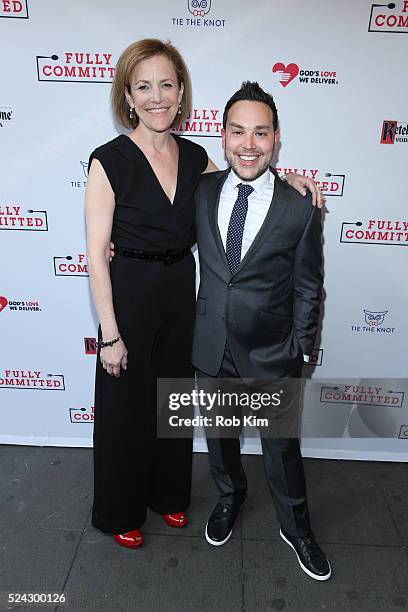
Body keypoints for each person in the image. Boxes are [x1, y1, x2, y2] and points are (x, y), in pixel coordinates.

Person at [86, 38, 323, 549]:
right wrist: (109, 334)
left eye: (167, 85)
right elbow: (94, 253)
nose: (157, 97)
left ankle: (169, 495)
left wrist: (294, 179)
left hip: (180, 297)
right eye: (144, 86)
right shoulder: (107, 161)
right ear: (127, 95)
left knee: (171, 405)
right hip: (128, 296)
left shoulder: (195, 159)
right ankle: (120, 509)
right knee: (126, 411)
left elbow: (249, 178)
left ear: (181, 92)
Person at [192, 82, 331, 581]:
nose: (248, 144)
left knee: (282, 451)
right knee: (220, 442)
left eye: (260, 133)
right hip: (211, 348)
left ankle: (297, 529)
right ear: (222, 137)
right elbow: (159, 234)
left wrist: (302, 349)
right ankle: (231, 498)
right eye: (237, 132)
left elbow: (310, 285)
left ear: (276, 139)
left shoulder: (299, 205)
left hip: (274, 352)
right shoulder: (201, 190)